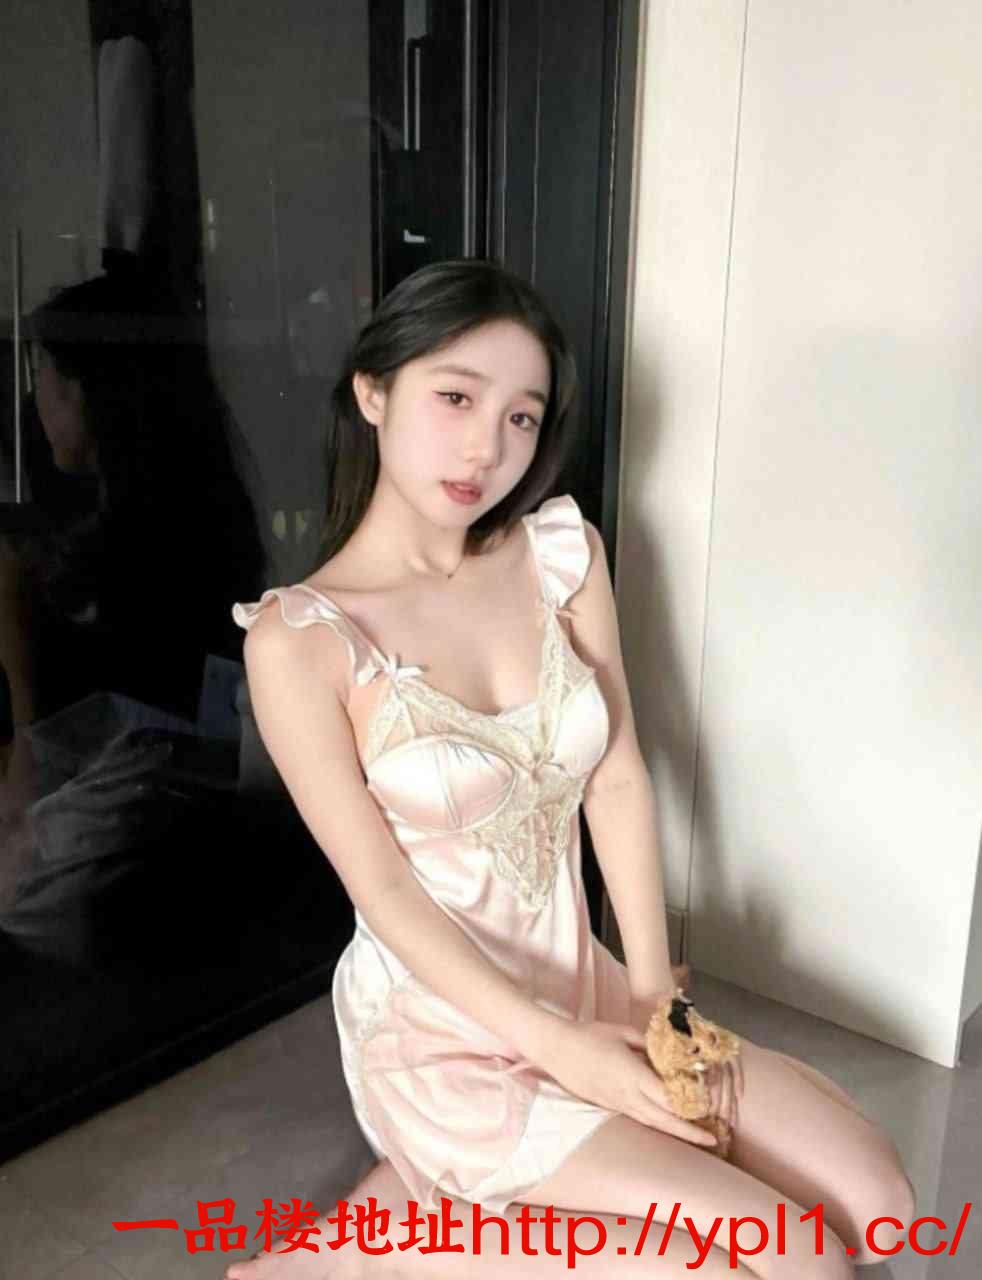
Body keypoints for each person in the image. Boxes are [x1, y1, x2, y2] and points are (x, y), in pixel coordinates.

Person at [225, 260, 914, 1280]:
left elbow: (617, 778)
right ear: (373, 392)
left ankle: (403, 1210)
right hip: (443, 1030)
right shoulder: (299, 641)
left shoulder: (561, 554)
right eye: (455, 397)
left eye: (521, 416)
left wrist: (654, 997)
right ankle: (377, 1245)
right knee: (794, 1258)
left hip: (584, 980)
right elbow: (383, 892)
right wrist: (561, 1052)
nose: (486, 447)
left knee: (883, 1213)